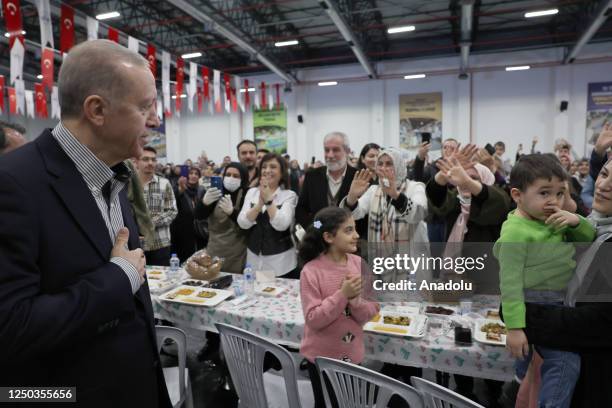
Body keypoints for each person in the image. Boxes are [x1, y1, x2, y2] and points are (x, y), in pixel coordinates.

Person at [0, 40, 171, 406]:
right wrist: (116, 279)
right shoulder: (13, 184)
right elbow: (10, 328)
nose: (155, 120)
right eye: (145, 108)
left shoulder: (113, 176)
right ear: (97, 110)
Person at [494, 154, 595, 408]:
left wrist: (575, 221)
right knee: (565, 362)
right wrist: (515, 328)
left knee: (529, 365)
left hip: (558, 299)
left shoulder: (551, 218)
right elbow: (510, 284)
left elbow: (588, 239)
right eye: (544, 193)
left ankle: (519, 382)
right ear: (517, 195)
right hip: (537, 301)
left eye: (560, 193)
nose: (555, 201)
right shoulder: (516, 232)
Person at [515, 156, 612, 407]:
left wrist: (522, 314)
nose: (605, 185)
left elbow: (597, 322)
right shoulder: (592, 228)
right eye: (603, 174)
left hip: (592, 384)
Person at [298, 206, 379, 408]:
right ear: (328, 237)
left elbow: (373, 309)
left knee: (347, 402)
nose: (356, 236)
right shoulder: (311, 271)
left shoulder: (359, 264)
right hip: (320, 358)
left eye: (355, 229)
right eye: (348, 230)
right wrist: (342, 295)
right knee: (325, 403)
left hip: (351, 355)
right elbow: (314, 319)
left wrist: (355, 301)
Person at [238, 153, 298, 278]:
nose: (267, 170)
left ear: (282, 173)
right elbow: (242, 223)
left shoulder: (289, 195)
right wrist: (259, 204)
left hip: (281, 262)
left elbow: (282, 225)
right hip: (253, 260)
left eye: (273, 167)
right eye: (264, 167)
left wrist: (269, 201)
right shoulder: (252, 192)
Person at [195, 162, 249, 274]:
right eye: (228, 174)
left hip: (237, 253)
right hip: (215, 249)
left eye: (236, 176)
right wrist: (204, 203)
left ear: (243, 178)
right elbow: (198, 216)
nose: (231, 178)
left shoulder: (247, 194)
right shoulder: (215, 191)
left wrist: (232, 212)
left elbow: (248, 225)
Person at [296, 131, 357, 230]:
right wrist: (317, 227)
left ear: (347, 151)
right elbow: (300, 210)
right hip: (318, 240)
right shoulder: (312, 176)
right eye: (326, 150)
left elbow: (364, 215)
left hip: (350, 240)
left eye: (336, 150)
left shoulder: (358, 177)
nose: (330, 155)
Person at [137, 146, 178, 266]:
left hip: (160, 243)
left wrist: (150, 222)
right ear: (137, 161)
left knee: (160, 281)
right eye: (145, 159)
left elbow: (172, 211)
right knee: (137, 282)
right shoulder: (128, 183)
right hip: (135, 245)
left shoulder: (164, 184)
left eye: (153, 159)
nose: (150, 163)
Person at [170, 166, 206, 262]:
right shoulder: (178, 188)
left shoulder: (202, 190)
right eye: (191, 173)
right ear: (186, 175)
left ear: (199, 177)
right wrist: (180, 190)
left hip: (198, 231)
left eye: (196, 174)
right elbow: (172, 203)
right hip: (182, 231)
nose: (193, 176)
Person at [355, 143, 380, 241]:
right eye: (371, 156)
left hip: (379, 228)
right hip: (361, 229)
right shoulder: (356, 176)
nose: (375, 159)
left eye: (378, 156)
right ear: (362, 158)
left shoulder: (384, 178)